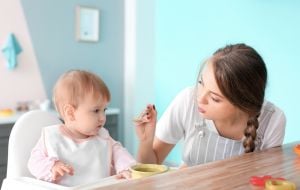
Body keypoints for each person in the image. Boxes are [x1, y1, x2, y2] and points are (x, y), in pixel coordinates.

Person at [134, 43, 286, 167]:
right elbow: (149, 166)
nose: (200, 98)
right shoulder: (187, 100)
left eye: (214, 98)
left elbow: (268, 179)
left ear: (243, 104)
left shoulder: (272, 120)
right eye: (201, 83)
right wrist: (146, 141)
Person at [28, 70, 136, 186]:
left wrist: (125, 169)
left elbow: (120, 154)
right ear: (70, 113)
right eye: (96, 111)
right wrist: (52, 167)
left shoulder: (103, 137)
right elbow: (33, 163)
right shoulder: (52, 137)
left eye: (104, 110)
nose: (102, 118)